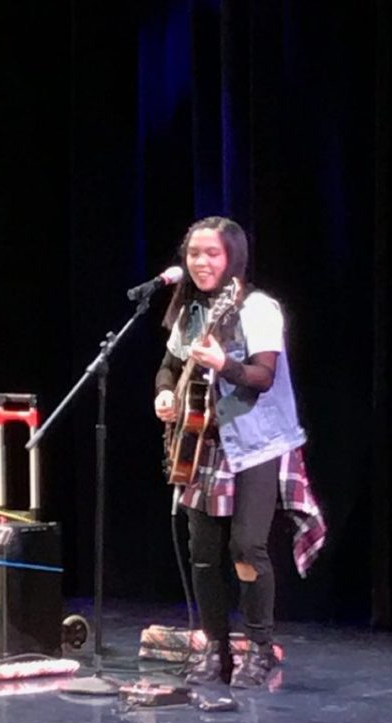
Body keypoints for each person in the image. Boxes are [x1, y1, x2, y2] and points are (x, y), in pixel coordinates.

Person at [154, 216, 326, 688]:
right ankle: (215, 648)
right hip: (202, 444)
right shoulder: (191, 311)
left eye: (212, 253)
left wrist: (223, 364)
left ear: (233, 258)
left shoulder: (257, 308)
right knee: (203, 551)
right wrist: (165, 395)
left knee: (246, 545)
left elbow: (262, 376)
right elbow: (169, 367)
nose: (201, 262)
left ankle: (259, 648)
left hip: (256, 444)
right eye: (194, 254)